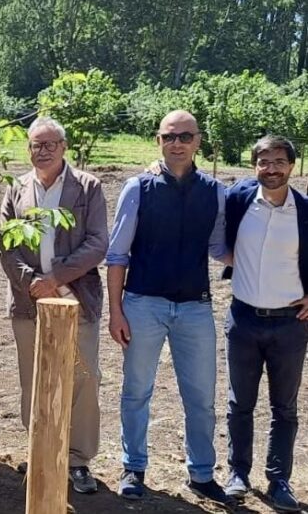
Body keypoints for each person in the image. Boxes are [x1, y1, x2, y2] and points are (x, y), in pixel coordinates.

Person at [106, 110, 232, 508]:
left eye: (184, 136)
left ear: (198, 142)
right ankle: (133, 467)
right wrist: (116, 310)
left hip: (195, 308)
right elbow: (116, 254)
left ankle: (201, 473)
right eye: (168, 136)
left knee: (201, 397)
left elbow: (218, 249)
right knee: (136, 391)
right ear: (158, 141)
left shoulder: (215, 192)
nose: (176, 143)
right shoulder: (138, 188)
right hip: (143, 303)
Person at [0, 116, 107, 494]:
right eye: (35, 145)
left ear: (64, 147)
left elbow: (97, 243)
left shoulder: (87, 188)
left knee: (82, 377)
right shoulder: (16, 188)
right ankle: (42, 450)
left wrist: (56, 279)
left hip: (77, 300)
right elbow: (7, 245)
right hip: (29, 303)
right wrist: (33, 284)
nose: (41, 151)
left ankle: (77, 459)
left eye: (49, 144)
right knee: (34, 377)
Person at [222, 136, 308, 511]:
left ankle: (279, 481)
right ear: (254, 165)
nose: (271, 169)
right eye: (263, 161)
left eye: (278, 162)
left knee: (284, 408)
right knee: (240, 403)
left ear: (292, 166)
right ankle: (237, 474)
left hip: (290, 324)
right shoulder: (238, 200)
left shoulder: (305, 210)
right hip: (243, 319)